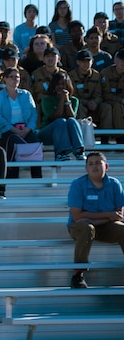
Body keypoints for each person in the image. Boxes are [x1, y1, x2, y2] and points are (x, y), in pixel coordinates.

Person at [67, 152, 124, 289]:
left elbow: (119, 215)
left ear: (106, 166)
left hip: (105, 227)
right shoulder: (77, 185)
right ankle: (78, 275)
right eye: (90, 164)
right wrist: (107, 215)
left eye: (98, 162)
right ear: (86, 168)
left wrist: (94, 220)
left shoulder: (115, 185)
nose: (94, 166)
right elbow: (77, 216)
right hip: (79, 227)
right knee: (86, 228)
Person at [40, 72, 87, 161]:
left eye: (63, 84)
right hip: (47, 133)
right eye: (58, 84)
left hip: (65, 135)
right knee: (61, 121)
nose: (61, 87)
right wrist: (61, 100)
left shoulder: (74, 100)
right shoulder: (47, 99)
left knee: (72, 121)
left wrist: (67, 100)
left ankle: (79, 150)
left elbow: (72, 116)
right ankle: (61, 153)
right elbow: (54, 117)